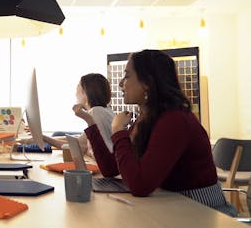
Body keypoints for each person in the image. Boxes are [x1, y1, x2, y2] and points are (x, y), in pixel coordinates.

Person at [82, 49, 236, 216]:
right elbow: (110, 168)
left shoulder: (174, 120)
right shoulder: (145, 119)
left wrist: (119, 132)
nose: (120, 83)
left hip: (203, 211)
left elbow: (140, 185)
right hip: (171, 203)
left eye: (127, 76)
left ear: (147, 83)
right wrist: (91, 125)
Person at [43, 73, 114, 155]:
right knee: (57, 134)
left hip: (101, 165)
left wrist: (44, 138)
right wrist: (46, 138)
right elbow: (81, 141)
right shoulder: (106, 110)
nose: (75, 94)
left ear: (86, 94)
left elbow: (79, 146)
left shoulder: (95, 112)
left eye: (77, 89)